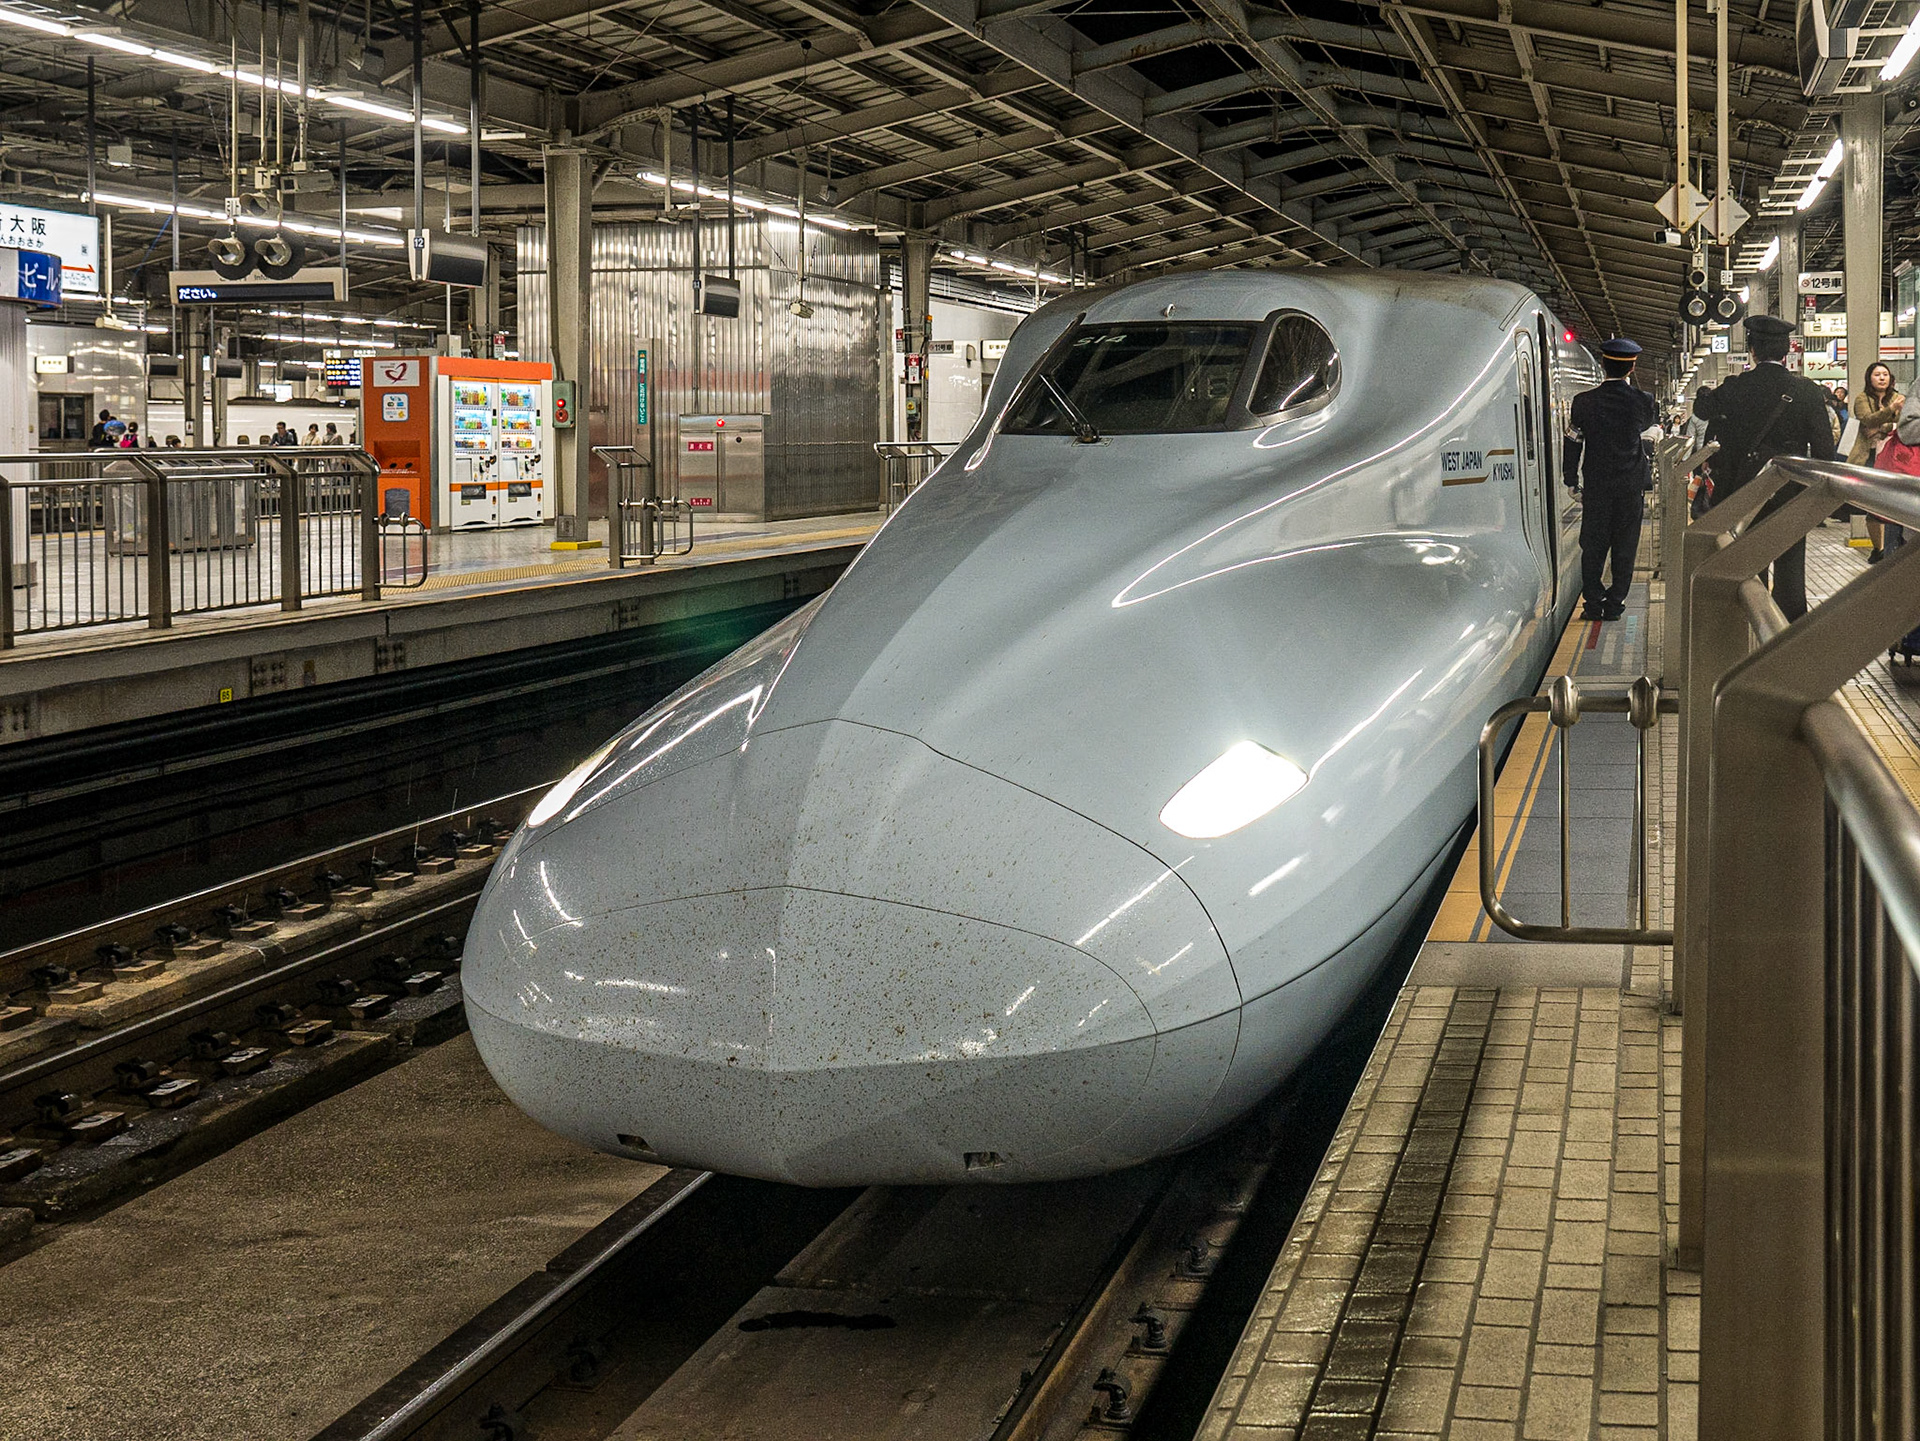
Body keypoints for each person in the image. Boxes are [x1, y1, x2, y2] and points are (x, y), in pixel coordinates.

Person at [1692, 314, 1839, 620]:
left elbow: (1702, 411)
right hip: (1791, 494)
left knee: (1746, 566)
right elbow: (1825, 450)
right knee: (1790, 568)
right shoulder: (1808, 391)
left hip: (1743, 494)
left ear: (1752, 350)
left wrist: (1706, 393)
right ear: (1787, 352)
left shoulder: (1734, 388)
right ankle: (1787, 640)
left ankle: (1748, 631)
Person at [1565, 337, 1661, 621]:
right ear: (1632, 368)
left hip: (1596, 486)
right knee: (1625, 546)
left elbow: (1573, 442)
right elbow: (1645, 428)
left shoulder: (1583, 402)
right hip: (1630, 487)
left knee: (1592, 546)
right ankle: (1615, 604)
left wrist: (1570, 479)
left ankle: (1592, 604)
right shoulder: (1644, 402)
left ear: (1603, 365)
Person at [1850, 361, 1905, 560]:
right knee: (1871, 503)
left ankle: (1890, 547)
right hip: (1869, 456)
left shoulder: (1900, 398)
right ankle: (1878, 549)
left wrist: (1882, 426)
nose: (1882, 378)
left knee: (1890, 501)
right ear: (1869, 378)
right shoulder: (1861, 398)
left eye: (1885, 374)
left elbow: (1902, 424)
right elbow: (1867, 420)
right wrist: (1891, 410)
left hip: (1893, 457)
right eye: (1877, 374)